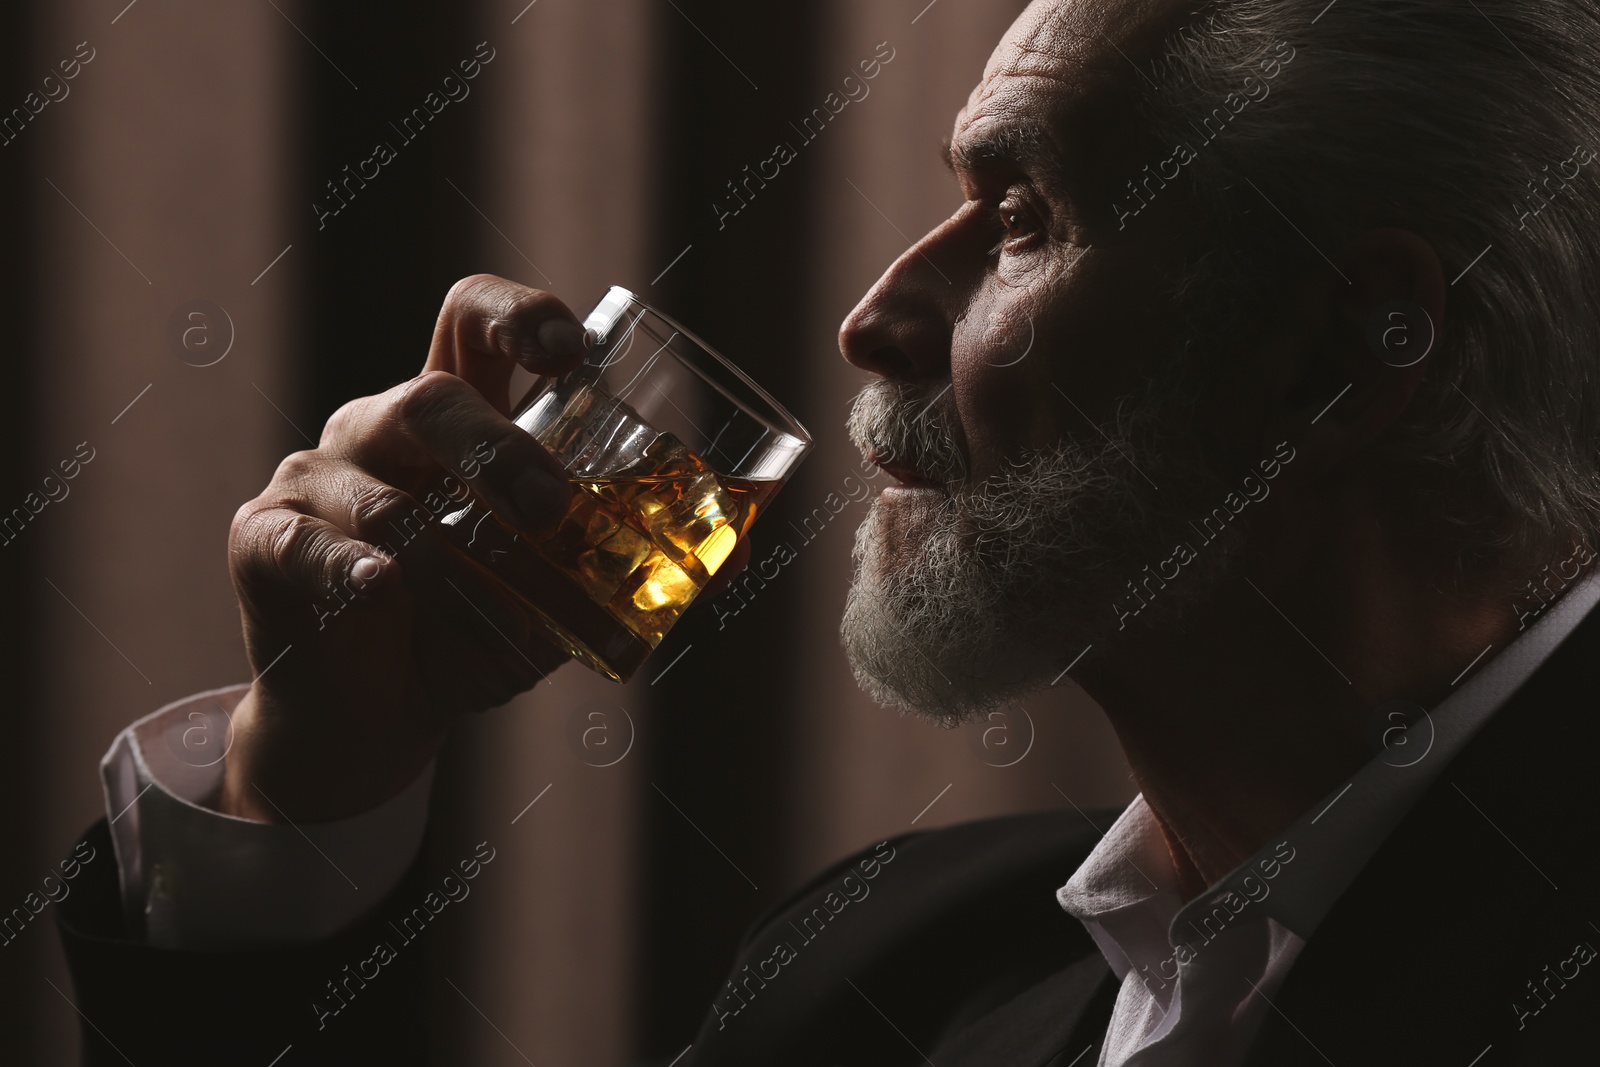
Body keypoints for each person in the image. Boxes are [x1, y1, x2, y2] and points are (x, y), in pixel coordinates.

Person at [56, 0, 1600, 1063]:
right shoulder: (890, 968)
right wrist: (305, 787)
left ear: (1360, 344)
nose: (872, 319)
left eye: (1016, 223)